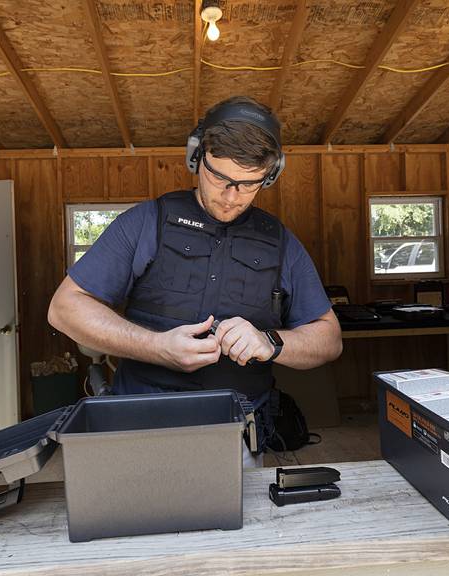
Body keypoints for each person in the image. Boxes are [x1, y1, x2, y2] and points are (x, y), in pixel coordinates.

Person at [48, 96, 342, 465]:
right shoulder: (146, 222)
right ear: (195, 157)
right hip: (138, 427)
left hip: (238, 435)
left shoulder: (281, 242)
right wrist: (156, 346)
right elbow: (64, 308)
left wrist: (271, 342)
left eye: (249, 184)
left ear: (271, 174)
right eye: (219, 177)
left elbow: (329, 338)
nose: (231, 197)